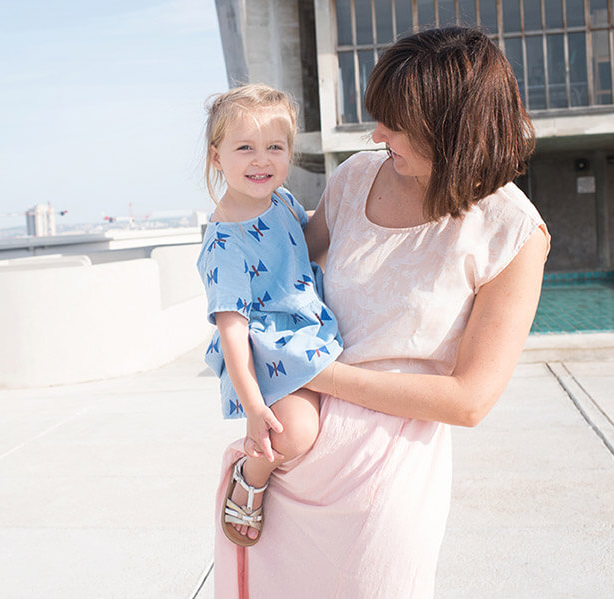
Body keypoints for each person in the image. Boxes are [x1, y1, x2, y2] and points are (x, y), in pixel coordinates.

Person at [213, 26, 551, 597]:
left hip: (387, 476)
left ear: (451, 130)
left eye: (396, 123)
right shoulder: (357, 176)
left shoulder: (511, 231)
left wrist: (314, 371)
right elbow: (281, 264)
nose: (377, 133)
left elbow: (470, 401)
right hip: (294, 453)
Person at [197, 84, 343, 547]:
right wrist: (255, 404)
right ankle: (249, 474)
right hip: (271, 350)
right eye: (245, 148)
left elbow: (302, 237)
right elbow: (232, 333)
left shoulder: (279, 201)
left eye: (274, 147)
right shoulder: (225, 243)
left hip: (310, 327)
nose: (262, 160)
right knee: (294, 435)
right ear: (216, 157)